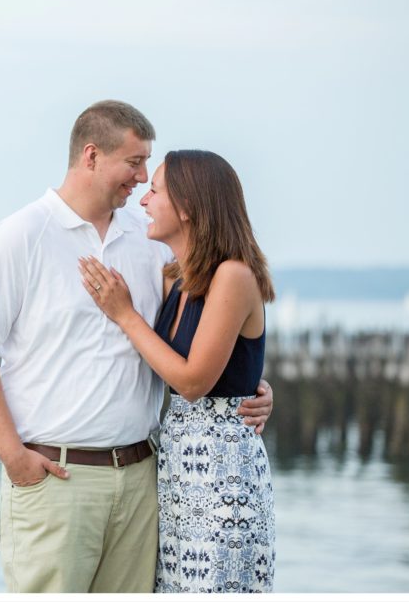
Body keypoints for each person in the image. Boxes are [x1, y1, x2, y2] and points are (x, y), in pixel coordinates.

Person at [0, 101, 273, 593]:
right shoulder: (23, 235)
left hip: (146, 481)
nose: (143, 179)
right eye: (135, 162)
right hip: (57, 478)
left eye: (150, 167)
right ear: (91, 156)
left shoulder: (151, 245)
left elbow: (206, 337)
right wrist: (11, 455)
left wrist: (249, 388)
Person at [77, 149, 276, 593]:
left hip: (224, 474)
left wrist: (124, 315)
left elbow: (191, 382)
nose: (144, 200)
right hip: (177, 472)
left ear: (187, 207)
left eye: (155, 190)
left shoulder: (234, 275)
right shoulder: (177, 277)